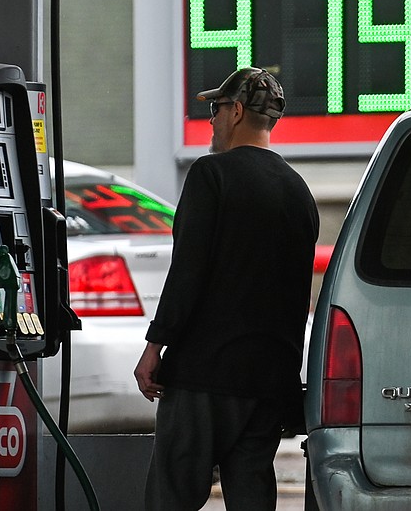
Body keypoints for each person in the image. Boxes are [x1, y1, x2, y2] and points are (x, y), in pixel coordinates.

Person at [134, 67, 320, 510]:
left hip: (205, 376)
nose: (212, 121)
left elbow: (188, 271)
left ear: (236, 111)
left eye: (216, 110)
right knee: (252, 496)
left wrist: (155, 346)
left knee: (172, 495)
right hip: (268, 381)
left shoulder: (211, 176)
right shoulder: (299, 192)